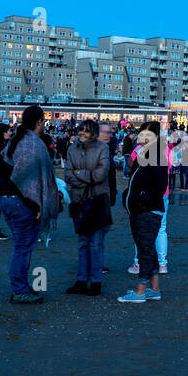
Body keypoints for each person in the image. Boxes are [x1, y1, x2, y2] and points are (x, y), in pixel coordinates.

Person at [0, 106, 60, 303]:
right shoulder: (31, 144)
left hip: (8, 200)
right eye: (43, 120)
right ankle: (19, 290)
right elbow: (23, 179)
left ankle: (22, 287)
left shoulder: (18, 141)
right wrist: (36, 206)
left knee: (22, 246)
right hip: (21, 202)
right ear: (39, 121)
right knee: (23, 247)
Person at [119, 125, 169, 302]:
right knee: (148, 249)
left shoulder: (156, 156)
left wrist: (142, 200)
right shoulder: (147, 155)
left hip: (147, 211)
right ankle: (154, 289)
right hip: (143, 209)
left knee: (145, 250)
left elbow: (160, 186)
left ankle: (140, 291)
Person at [63, 119, 111, 296]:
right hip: (79, 202)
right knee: (83, 243)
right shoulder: (71, 148)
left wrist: (79, 174)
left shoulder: (102, 148)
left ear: (94, 133)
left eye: (86, 131)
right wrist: (84, 179)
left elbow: (101, 174)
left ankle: (96, 281)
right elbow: (67, 174)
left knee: (96, 244)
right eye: (80, 130)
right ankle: (81, 280)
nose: (82, 133)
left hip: (97, 201)